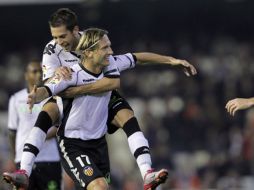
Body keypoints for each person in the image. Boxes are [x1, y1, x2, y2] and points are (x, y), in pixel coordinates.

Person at [3, 8, 197, 190]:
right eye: (55, 36)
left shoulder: (95, 43)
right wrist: (37, 95)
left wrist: (172, 61)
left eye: (62, 36)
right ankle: (24, 171)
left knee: (127, 115)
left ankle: (147, 172)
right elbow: (49, 86)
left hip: (94, 108)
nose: (58, 41)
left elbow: (128, 67)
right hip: (69, 105)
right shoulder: (53, 52)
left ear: (76, 32)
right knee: (48, 111)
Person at [5, 60, 61, 190]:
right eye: (34, 71)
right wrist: (14, 157)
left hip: (49, 158)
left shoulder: (52, 98)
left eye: (41, 71)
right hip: (23, 159)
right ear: (26, 75)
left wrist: (40, 135)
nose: (38, 75)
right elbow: (12, 131)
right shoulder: (16, 99)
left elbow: (60, 126)